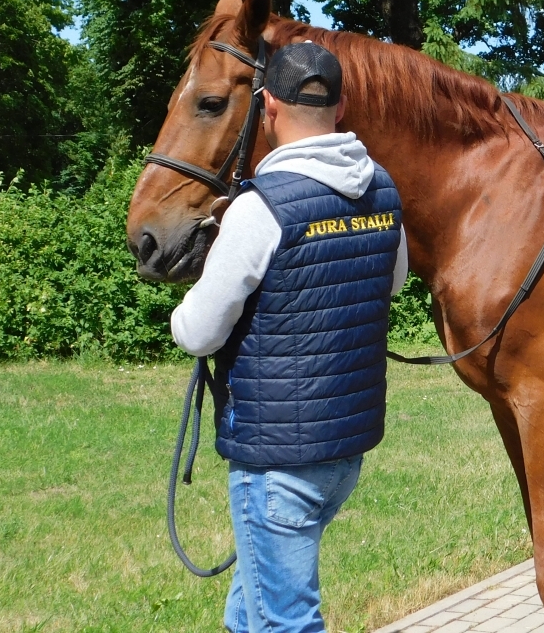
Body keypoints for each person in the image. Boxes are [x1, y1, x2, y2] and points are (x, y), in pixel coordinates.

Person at [170, 42, 408, 633]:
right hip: (343, 451)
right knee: (250, 604)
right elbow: (394, 279)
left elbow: (197, 333)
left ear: (268, 106)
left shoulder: (259, 209)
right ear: (341, 105)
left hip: (276, 461)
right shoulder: (382, 189)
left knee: (286, 621)